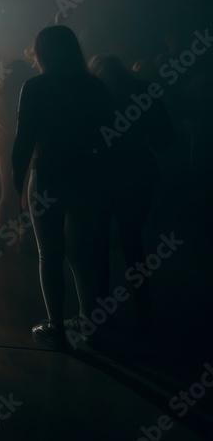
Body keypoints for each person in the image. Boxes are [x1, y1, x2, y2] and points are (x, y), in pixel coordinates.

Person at [12, 25, 112, 348]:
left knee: (49, 254)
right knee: (80, 253)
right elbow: (109, 135)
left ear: (41, 54)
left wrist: (17, 185)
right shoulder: (95, 86)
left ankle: (55, 326)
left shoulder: (35, 87)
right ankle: (90, 324)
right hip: (88, 175)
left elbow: (23, 141)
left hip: (48, 173)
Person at [89, 55, 174, 325]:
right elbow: (165, 140)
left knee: (97, 244)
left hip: (100, 178)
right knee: (133, 243)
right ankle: (143, 310)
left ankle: (96, 312)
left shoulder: (92, 95)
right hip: (139, 176)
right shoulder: (145, 90)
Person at [0, 59, 36, 252]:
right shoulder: (31, 91)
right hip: (28, 142)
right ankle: (26, 236)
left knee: (7, 191)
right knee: (26, 191)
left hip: (5, 142)